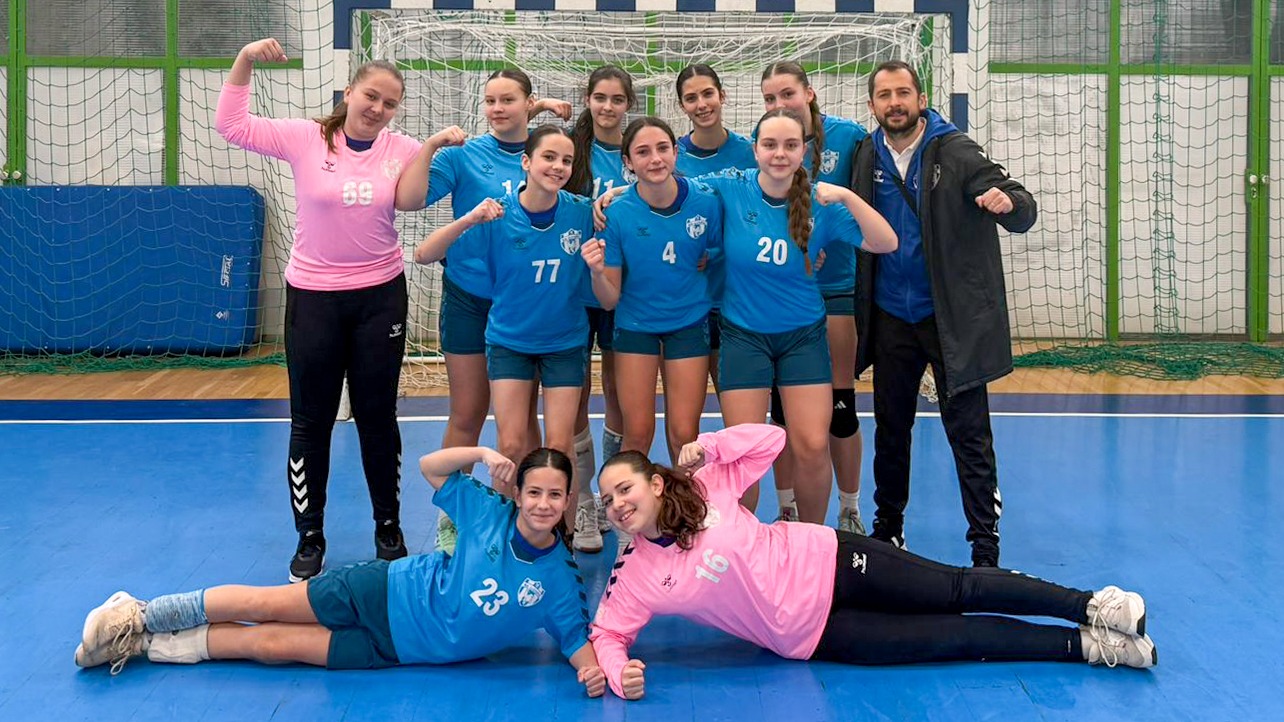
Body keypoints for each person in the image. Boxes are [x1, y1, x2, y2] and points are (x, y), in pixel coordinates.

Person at [588, 423, 1157, 700]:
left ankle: (1091, 605)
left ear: (656, 483)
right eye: (607, 500)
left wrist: (711, 445)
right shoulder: (634, 575)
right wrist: (617, 672)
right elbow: (607, 634)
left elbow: (772, 440)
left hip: (832, 560)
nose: (616, 505)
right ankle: (1089, 646)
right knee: (956, 638)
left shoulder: (706, 485)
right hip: (816, 634)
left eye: (624, 489)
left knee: (956, 590)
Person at [74, 444, 605, 697]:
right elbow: (430, 468)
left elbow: (575, 639)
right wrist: (483, 452)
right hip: (383, 592)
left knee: (270, 645)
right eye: (534, 492)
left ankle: (143, 645)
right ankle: (141, 613)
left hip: (396, 651)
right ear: (519, 493)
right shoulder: (488, 511)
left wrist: (593, 671)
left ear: (568, 500)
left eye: (554, 495)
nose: (542, 504)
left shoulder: (560, 578)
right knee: (265, 604)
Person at [216, 38, 424, 582]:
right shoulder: (307, 137)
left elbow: (447, 176)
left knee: (378, 417)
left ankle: (388, 527)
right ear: (349, 92)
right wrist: (244, 59)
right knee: (311, 420)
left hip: (380, 297)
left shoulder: (403, 149)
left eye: (390, 103)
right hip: (313, 299)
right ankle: (310, 536)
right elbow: (231, 126)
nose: (377, 108)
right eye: (371, 96)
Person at [852, 61, 1038, 567]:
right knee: (891, 430)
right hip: (891, 316)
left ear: (922, 99)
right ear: (872, 105)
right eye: (885, 95)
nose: (894, 103)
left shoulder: (956, 151)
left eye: (903, 93)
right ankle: (888, 529)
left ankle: (985, 546)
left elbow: (1023, 206)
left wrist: (1008, 202)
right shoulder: (867, 153)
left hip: (949, 320)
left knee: (969, 435)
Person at [395, 68, 568, 555]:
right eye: (490, 100)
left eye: (508, 100)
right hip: (470, 296)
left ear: (528, 103)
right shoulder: (463, 156)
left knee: (523, 422)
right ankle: (454, 518)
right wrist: (431, 145)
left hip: (526, 303)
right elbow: (409, 199)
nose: (496, 108)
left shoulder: (549, 153)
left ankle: (525, 516)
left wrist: (544, 108)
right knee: (468, 411)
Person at [696, 109, 895, 523]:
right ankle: (742, 542)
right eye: (770, 145)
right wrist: (617, 194)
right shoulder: (731, 188)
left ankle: (810, 539)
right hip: (744, 337)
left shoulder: (821, 202)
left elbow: (885, 242)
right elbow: (670, 188)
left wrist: (847, 196)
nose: (780, 154)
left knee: (812, 445)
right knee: (743, 452)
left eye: (790, 145)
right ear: (755, 150)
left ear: (804, 151)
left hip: (802, 338)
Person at [414, 126, 608, 532]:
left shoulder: (580, 211)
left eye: (566, 160)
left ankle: (562, 541)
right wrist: (470, 217)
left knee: (559, 445)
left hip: (564, 343)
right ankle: (504, 538)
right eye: (549, 157)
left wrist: (613, 197)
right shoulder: (497, 214)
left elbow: (626, 209)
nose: (558, 167)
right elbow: (424, 254)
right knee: (512, 445)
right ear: (526, 162)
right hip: (509, 342)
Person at [759, 61, 870, 534]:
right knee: (784, 412)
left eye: (787, 93)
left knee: (841, 407)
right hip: (784, 292)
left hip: (837, 289)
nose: (779, 104)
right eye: (769, 98)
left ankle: (849, 508)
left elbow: (866, 207)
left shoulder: (850, 138)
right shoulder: (767, 140)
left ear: (809, 92)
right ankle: (787, 508)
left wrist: (826, 244)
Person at [592, 117, 721, 470]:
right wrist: (596, 271)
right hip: (636, 325)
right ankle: (625, 500)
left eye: (663, 148)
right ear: (628, 162)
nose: (655, 159)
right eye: (643, 152)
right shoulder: (616, 214)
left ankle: (684, 504)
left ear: (676, 152)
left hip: (688, 322)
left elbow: (721, 249)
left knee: (684, 436)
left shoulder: (706, 202)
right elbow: (608, 299)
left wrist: (711, 256)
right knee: (637, 433)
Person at [565, 65, 638, 555]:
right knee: (575, 393)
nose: (608, 107)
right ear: (588, 100)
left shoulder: (637, 151)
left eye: (617, 99)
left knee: (617, 391)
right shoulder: (573, 150)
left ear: (628, 104)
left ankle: (613, 495)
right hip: (572, 288)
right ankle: (585, 500)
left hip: (621, 289)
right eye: (600, 98)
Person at [673, 64, 757, 393]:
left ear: (723, 95)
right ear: (682, 105)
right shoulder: (672, 156)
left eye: (708, 93)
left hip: (738, 295)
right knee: (684, 409)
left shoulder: (750, 153)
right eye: (691, 98)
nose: (702, 104)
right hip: (687, 297)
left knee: (737, 402)